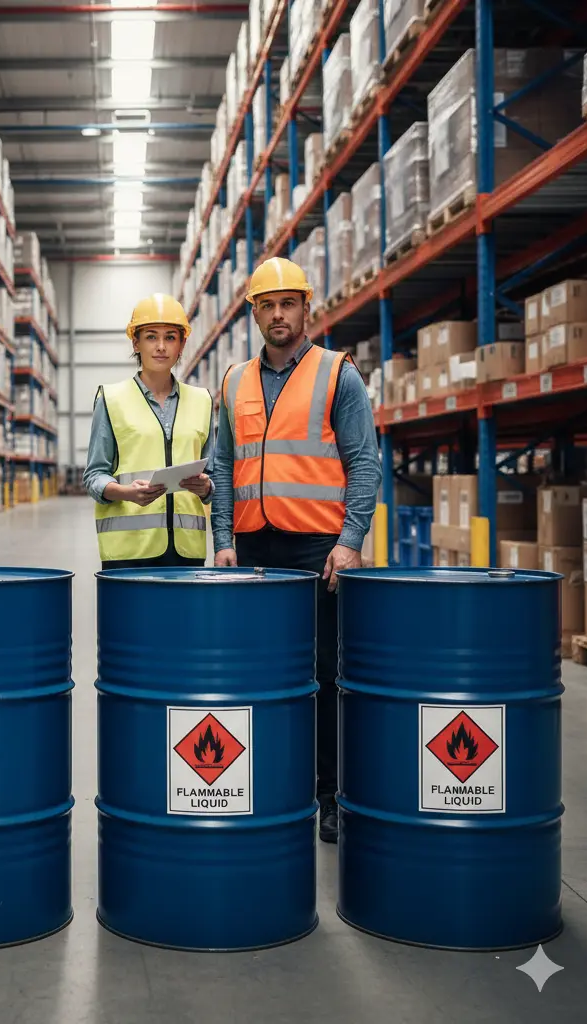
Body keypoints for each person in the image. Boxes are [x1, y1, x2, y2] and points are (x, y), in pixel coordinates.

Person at [211, 257, 381, 844]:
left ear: (307, 307)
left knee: (326, 673)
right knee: (257, 673)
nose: (277, 314)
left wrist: (351, 541)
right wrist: (223, 539)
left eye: (288, 303)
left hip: (318, 547)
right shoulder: (233, 380)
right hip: (254, 544)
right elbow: (223, 468)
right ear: (253, 313)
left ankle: (329, 796)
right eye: (266, 304)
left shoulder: (338, 374)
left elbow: (364, 462)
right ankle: (268, 785)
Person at [84, 293, 215, 570]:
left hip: (187, 552)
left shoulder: (202, 400)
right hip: (128, 551)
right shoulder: (111, 399)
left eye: (170, 337)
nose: (161, 347)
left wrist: (206, 487)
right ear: (136, 342)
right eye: (151, 337)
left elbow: (212, 476)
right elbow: (94, 475)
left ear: (182, 345)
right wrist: (124, 492)